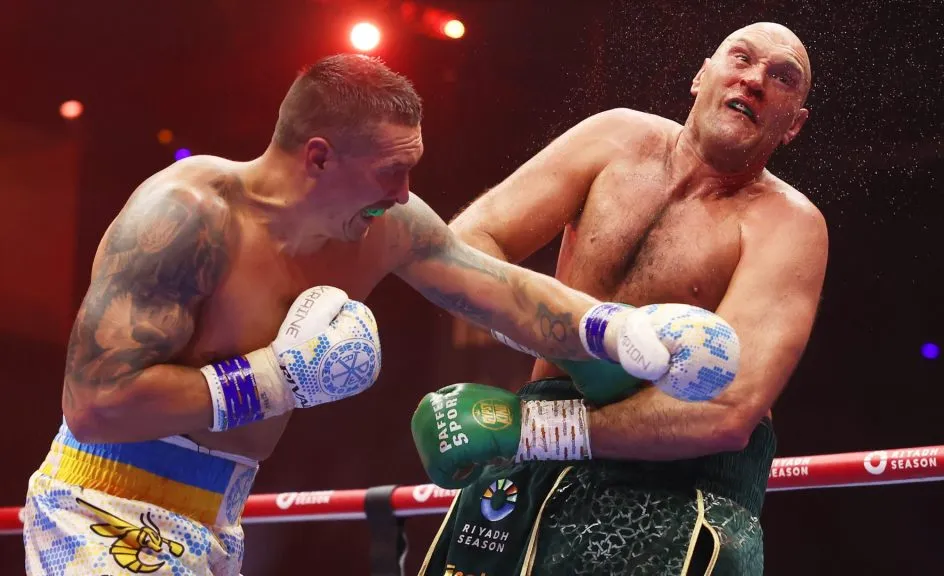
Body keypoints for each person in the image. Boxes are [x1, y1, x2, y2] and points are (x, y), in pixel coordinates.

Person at [23, 54, 728, 576]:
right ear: (319, 157)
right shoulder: (186, 218)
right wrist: (277, 378)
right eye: (391, 171)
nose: (404, 192)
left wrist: (623, 331)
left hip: (219, 515)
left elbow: (499, 292)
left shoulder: (388, 226)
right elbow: (95, 403)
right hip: (100, 505)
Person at [413, 22, 827, 575]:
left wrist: (535, 430)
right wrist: (563, 334)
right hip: (530, 458)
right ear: (701, 75)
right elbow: (464, 248)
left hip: (677, 488)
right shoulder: (614, 139)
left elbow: (727, 412)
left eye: (782, 78)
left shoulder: (788, 224)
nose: (755, 81)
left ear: (792, 125)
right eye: (742, 59)